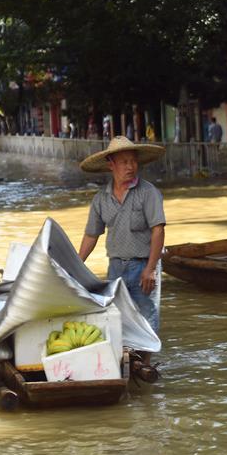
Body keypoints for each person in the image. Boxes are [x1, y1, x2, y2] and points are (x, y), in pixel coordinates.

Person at [78, 136, 166, 333]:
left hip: (143, 265)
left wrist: (151, 269)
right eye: (124, 162)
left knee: (146, 319)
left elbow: (158, 230)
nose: (130, 166)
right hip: (116, 267)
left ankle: (146, 363)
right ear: (111, 165)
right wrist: (75, 265)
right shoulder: (101, 198)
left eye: (133, 161)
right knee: (116, 320)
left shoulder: (148, 192)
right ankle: (125, 361)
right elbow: (91, 235)